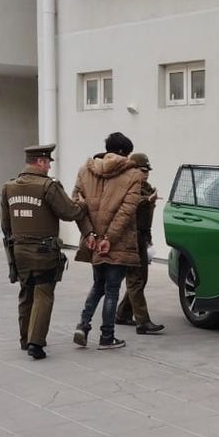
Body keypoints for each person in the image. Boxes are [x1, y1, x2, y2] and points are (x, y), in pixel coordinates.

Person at [1, 144, 91, 360]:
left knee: (26, 293)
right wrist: (83, 206)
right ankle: (36, 343)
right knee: (43, 294)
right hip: (43, 250)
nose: (50, 165)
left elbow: (6, 224)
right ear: (40, 162)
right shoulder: (48, 186)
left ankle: (25, 339)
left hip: (19, 250)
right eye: (48, 161)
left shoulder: (9, 187)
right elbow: (68, 212)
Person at [71, 132, 145, 349]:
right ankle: (107, 337)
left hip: (93, 241)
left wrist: (89, 235)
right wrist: (109, 239)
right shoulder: (133, 175)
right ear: (125, 152)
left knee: (98, 285)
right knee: (112, 289)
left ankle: (83, 326)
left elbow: (77, 205)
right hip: (118, 242)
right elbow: (126, 211)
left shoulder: (85, 170)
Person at [115, 153, 165, 334]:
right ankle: (142, 321)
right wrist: (147, 200)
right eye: (143, 170)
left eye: (147, 171)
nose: (146, 174)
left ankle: (122, 313)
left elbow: (146, 217)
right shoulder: (126, 186)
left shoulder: (146, 187)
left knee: (141, 279)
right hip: (129, 238)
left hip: (141, 237)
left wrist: (149, 237)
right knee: (135, 279)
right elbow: (129, 204)